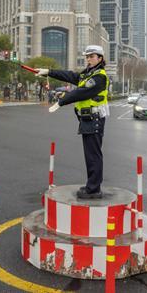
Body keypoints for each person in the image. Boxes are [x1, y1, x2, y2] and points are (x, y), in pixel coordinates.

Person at [35, 45, 109, 199]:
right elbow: (69, 76)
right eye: (87, 56)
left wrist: (61, 102)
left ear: (100, 58)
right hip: (87, 119)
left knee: (93, 155)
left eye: (92, 56)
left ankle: (94, 189)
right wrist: (49, 72)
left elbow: (81, 92)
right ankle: (91, 185)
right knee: (90, 155)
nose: (89, 59)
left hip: (94, 119)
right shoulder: (88, 74)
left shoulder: (99, 77)